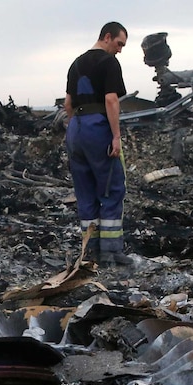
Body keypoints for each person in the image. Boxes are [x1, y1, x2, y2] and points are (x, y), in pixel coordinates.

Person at [64, 22, 133, 266]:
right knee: (112, 188)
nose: (120, 50)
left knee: (85, 191)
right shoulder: (108, 62)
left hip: (76, 129)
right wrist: (115, 136)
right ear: (107, 37)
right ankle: (111, 253)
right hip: (97, 126)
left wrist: (75, 131)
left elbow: (68, 104)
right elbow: (111, 100)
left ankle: (89, 251)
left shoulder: (76, 63)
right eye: (119, 44)